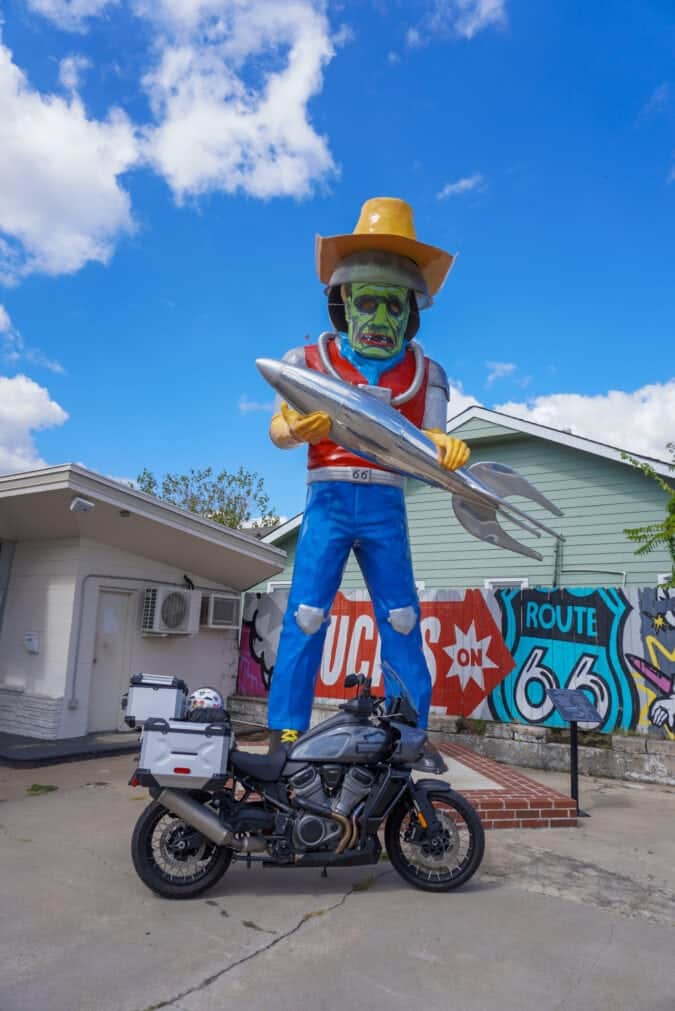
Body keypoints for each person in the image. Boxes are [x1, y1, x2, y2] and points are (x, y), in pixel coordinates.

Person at [267, 197, 470, 766]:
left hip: (386, 502)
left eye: (394, 305)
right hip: (328, 499)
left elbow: (432, 438)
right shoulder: (308, 361)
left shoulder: (427, 373)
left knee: (402, 617)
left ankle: (409, 731)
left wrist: (445, 446)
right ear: (344, 303)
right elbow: (278, 429)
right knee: (306, 614)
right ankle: (286, 732)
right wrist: (293, 427)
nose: (380, 320)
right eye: (369, 302)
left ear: (411, 312)